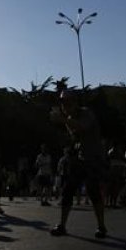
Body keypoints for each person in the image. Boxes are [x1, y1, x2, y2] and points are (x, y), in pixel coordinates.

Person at [49, 90, 107, 238]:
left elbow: (82, 127)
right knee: (68, 190)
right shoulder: (70, 117)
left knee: (93, 190)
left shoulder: (86, 112)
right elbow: (74, 135)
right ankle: (62, 225)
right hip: (81, 157)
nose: (65, 105)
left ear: (75, 102)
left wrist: (63, 120)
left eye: (68, 102)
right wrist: (65, 120)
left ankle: (101, 226)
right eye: (62, 102)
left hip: (93, 157)